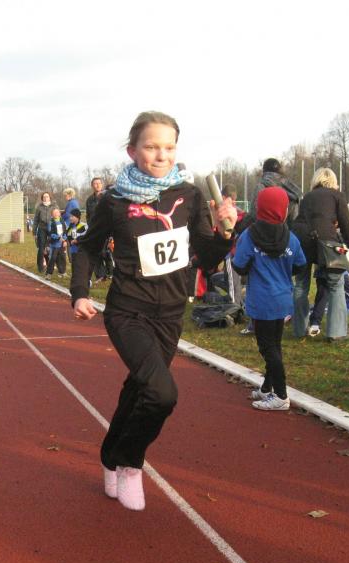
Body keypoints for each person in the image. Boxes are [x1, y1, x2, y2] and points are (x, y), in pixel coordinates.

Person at [70, 111, 237, 511]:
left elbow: (207, 257)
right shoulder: (114, 201)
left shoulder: (189, 196)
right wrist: (79, 293)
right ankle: (130, 464)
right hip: (128, 311)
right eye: (151, 147)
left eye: (169, 147)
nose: (161, 155)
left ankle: (110, 456)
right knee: (162, 393)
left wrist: (226, 231)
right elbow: (88, 248)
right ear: (132, 151)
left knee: (140, 389)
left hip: (171, 313)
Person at [232, 187, 305, 410]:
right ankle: (267, 388)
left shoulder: (249, 235)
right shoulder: (290, 237)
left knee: (267, 348)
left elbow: (239, 266)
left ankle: (281, 396)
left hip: (261, 300)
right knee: (275, 345)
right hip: (282, 299)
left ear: (259, 208)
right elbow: (300, 265)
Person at [291, 168, 349, 340]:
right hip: (327, 241)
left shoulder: (307, 197)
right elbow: (346, 222)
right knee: (336, 284)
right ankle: (336, 332)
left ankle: (299, 329)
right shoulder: (337, 196)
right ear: (334, 181)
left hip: (303, 240)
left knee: (301, 285)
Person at [253, 158, 303, 227]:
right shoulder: (291, 190)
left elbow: (253, 214)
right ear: (279, 171)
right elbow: (295, 219)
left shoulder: (260, 187)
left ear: (264, 171)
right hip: (285, 231)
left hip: (263, 230)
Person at [32, 192, 57, 273]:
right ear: (42, 198)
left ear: (50, 197)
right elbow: (36, 220)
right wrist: (34, 231)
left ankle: (52, 264)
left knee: (52, 246)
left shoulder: (54, 206)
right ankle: (40, 266)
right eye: (44, 197)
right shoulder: (39, 207)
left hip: (51, 228)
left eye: (47, 196)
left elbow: (58, 217)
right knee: (41, 247)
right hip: (42, 228)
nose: (46, 198)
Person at [45, 207, 67, 278]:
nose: (56, 214)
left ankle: (62, 272)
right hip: (54, 245)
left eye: (57, 212)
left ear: (59, 213)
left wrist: (64, 240)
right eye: (54, 213)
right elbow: (50, 233)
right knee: (53, 259)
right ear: (52, 215)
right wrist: (58, 237)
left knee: (62, 258)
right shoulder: (51, 222)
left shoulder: (62, 221)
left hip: (62, 244)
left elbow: (65, 232)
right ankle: (49, 274)